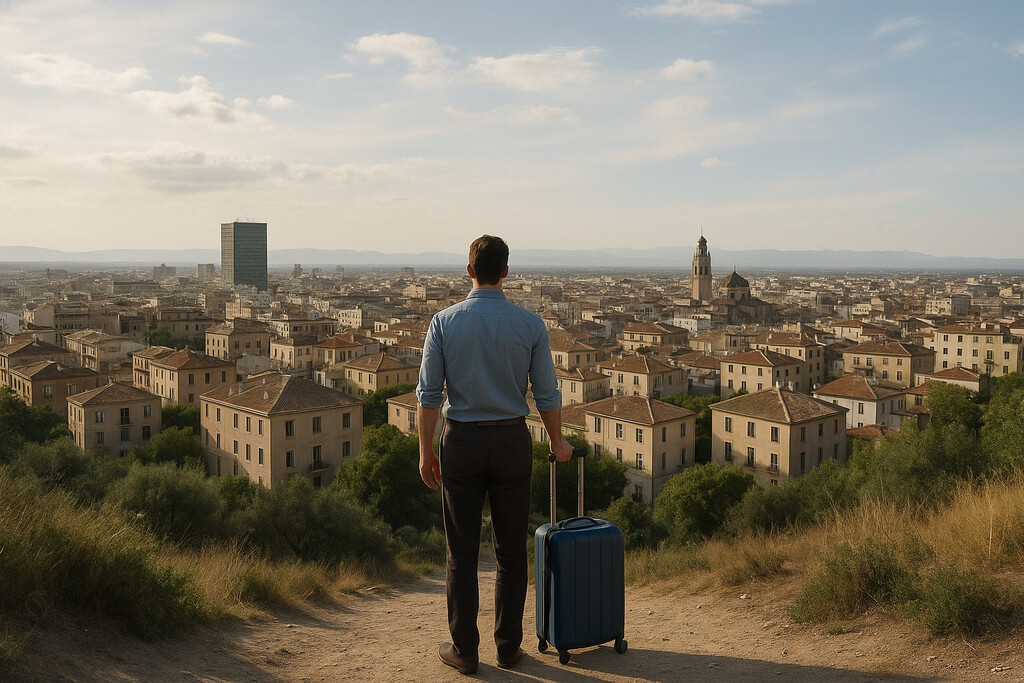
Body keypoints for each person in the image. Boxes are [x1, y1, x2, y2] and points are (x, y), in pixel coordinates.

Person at [417, 234, 573, 674]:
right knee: (510, 551)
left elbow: (429, 397)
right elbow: (546, 394)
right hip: (511, 442)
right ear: (506, 272)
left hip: (461, 442)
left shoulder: (443, 322)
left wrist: (425, 452)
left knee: (461, 552)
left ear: (469, 272)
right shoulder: (530, 325)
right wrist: (557, 441)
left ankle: (465, 651)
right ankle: (508, 648)